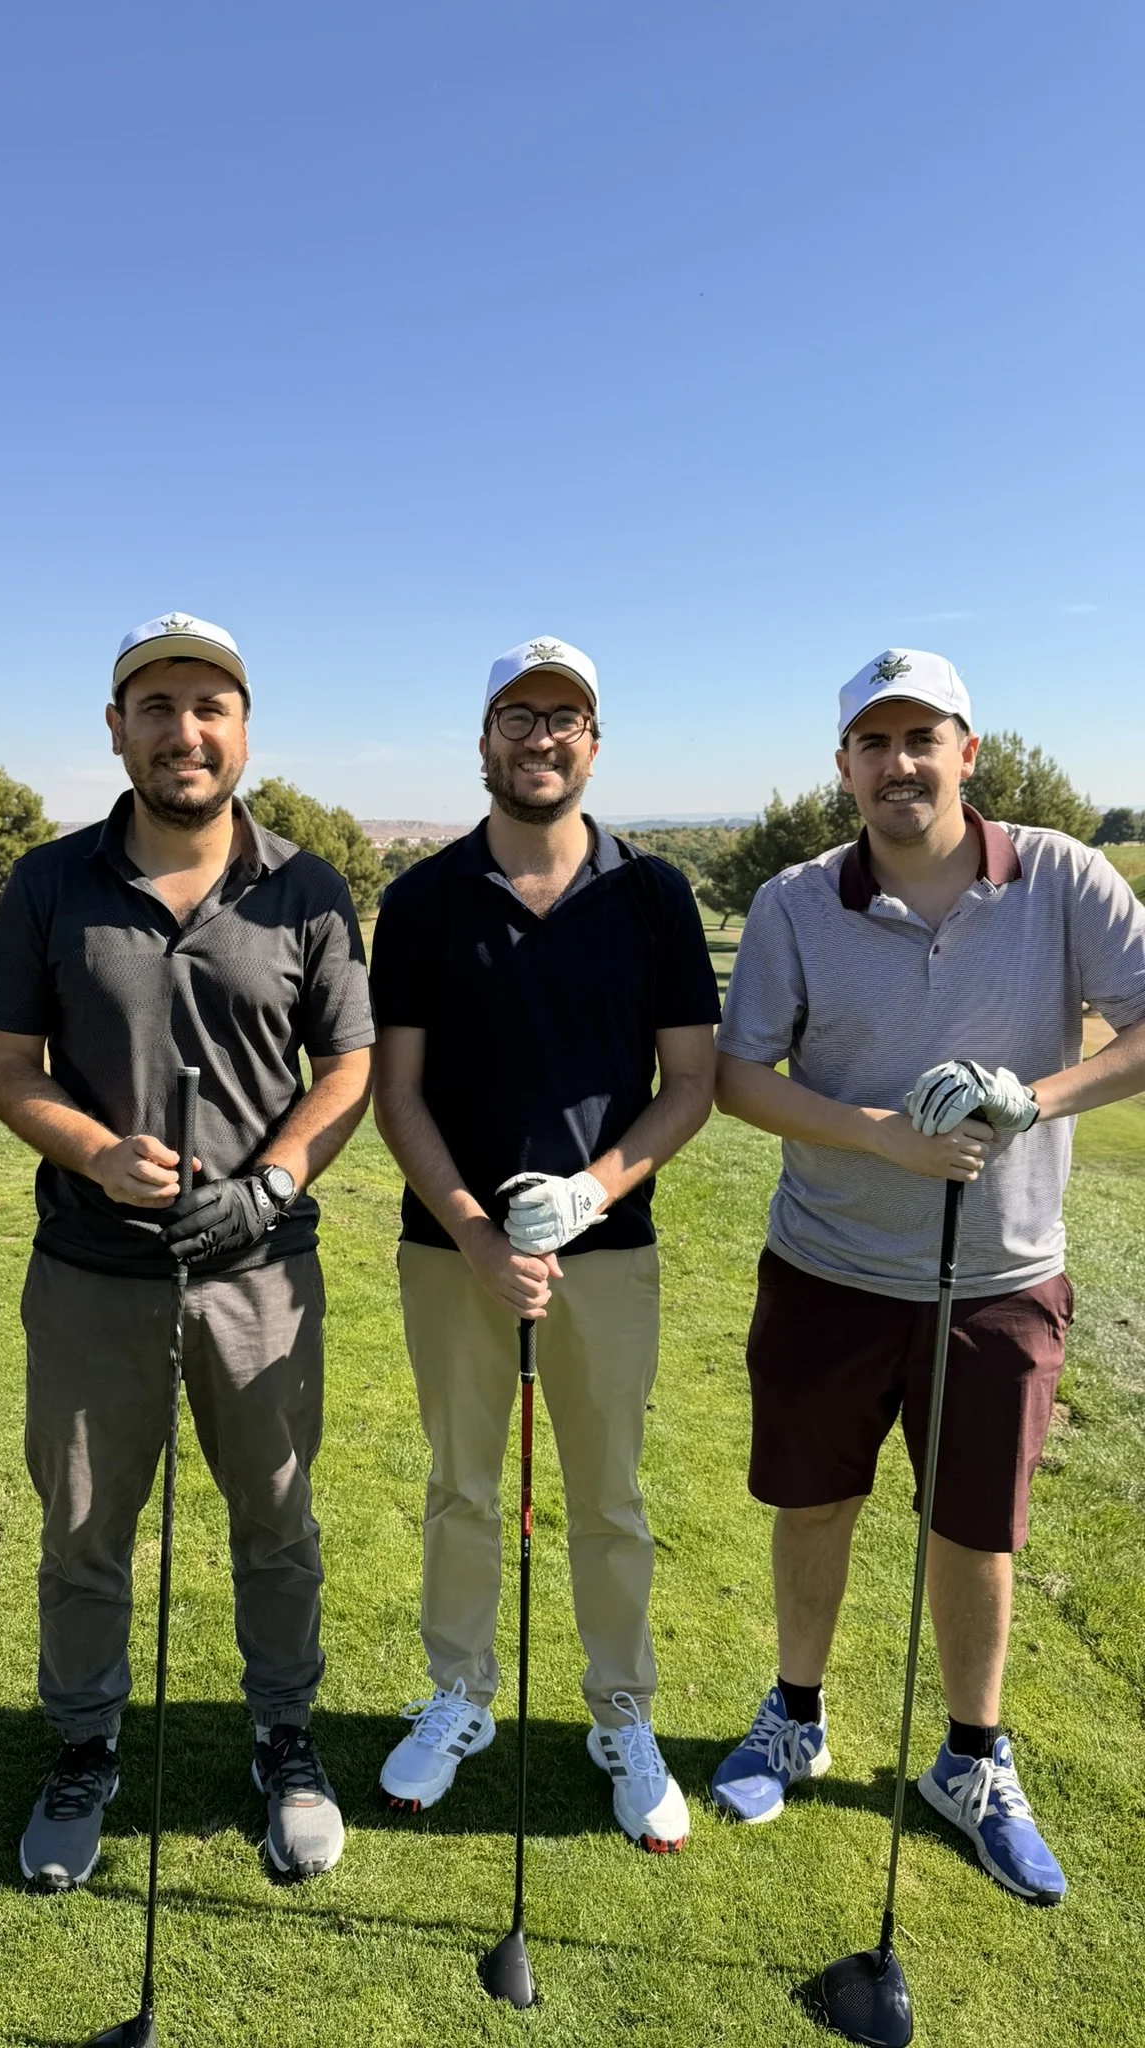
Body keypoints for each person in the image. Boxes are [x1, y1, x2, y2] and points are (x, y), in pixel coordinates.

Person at [709, 648, 1145, 1905]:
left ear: (968, 751)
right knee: (815, 1502)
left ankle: (970, 1758)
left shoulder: (1062, 875)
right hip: (830, 1266)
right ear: (844, 766)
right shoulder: (795, 901)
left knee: (974, 1529)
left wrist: (1034, 1098)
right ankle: (795, 1715)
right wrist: (882, 1136)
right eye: (874, 742)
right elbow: (739, 1075)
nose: (899, 763)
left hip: (1001, 1275)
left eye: (922, 737)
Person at [0, 610, 373, 1890]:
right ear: (117, 728)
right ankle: (85, 1744)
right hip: (94, 1272)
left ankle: (285, 1734)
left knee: (278, 1517)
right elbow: (4, 1062)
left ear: (244, 730)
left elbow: (348, 1063)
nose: (184, 731)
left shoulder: (309, 888)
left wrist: (274, 1180)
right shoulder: (48, 882)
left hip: (260, 1273)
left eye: (210, 706)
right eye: (157, 706)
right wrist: (96, 1151)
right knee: (85, 1528)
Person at [368, 636, 719, 1849]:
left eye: (563, 717)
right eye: (516, 715)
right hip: (450, 1249)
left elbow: (691, 1082)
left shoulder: (653, 894)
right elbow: (397, 1093)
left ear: (594, 745)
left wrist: (592, 1190)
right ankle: (461, 1693)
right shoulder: (423, 900)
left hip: (606, 1252)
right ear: (484, 740)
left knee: (608, 1496)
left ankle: (621, 1713)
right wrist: (474, 1230)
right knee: (462, 1486)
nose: (540, 736)